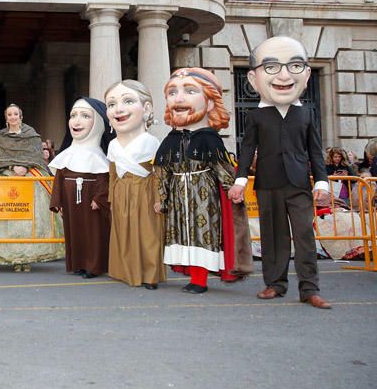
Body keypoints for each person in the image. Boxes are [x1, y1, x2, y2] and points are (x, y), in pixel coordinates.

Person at [229, 36, 332, 309]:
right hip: (267, 184)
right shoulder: (256, 117)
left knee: (304, 236)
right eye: (272, 68)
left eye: (294, 67)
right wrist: (240, 181)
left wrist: (322, 182)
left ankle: (310, 289)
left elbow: (315, 152)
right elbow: (247, 150)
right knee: (273, 236)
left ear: (306, 75)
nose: (284, 76)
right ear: (254, 79)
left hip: (298, 184)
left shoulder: (306, 114)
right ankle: (275, 284)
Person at [154, 67, 252, 295]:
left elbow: (222, 169)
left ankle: (200, 280)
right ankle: (191, 274)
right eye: (172, 92)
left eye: (189, 91)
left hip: (204, 194)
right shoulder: (171, 140)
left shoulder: (210, 139)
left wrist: (232, 190)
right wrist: (164, 199)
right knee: (182, 234)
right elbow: (164, 173)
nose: (178, 99)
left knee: (202, 234)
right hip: (179, 194)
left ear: (209, 103)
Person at [0, 104, 65, 271]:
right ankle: (13, 257)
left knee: (30, 220)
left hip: (31, 178)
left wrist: (26, 168)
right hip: (9, 178)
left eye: (15, 114)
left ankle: (27, 257)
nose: (13, 117)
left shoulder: (32, 135)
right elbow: (1, 159)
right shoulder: (3, 137)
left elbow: (36, 157)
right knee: (10, 219)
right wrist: (13, 168)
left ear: (21, 116)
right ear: (6, 118)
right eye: (9, 114)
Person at [105, 80, 166, 289]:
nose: (118, 109)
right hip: (121, 192)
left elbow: (158, 174)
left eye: (128, 101)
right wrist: (111, 198)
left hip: (145, 191)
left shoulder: (152, 142)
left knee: (148, 234)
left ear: (147, 108)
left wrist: (159, 199)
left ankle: (150, 275)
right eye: (111, 104)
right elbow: (112, 175)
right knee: (123, 233)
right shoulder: (112, 145)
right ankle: (125, 271)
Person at [49, 97, 112, 279]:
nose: (76, 121)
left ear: (98, 122)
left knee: (93, 233)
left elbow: (103, 178)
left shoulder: (99, 156)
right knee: (74, 232)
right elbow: (59, 178)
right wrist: (58, 201)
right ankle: (78, 264)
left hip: (91, 201)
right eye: (73, 115)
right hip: (70, 202)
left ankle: (93, 266)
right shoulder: (66, 154)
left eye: (85, 116)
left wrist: (99, 199)